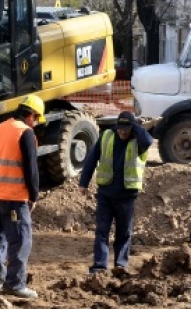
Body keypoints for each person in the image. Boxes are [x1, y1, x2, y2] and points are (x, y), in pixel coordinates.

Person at [0, 94, 46, 299]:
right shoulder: (25, 133)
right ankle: (15, 284)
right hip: (16, 197)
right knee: (21, 241)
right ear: (31, 115)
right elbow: (31, 170)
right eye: (36, 118)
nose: (36, 123)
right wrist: (33, 196)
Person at [78, 111, 154, 275]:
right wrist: (83, 183)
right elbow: (91, 159)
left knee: (124, 232)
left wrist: (136, 127)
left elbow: (148, 141)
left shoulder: (138, 141)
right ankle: (99, 266)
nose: (122, 132)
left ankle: (120, 265)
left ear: (132, 128)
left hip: (127, 196)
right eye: (120, 128)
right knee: (102, 231)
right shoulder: (107, 136)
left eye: (126, 129)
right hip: (106, 193)